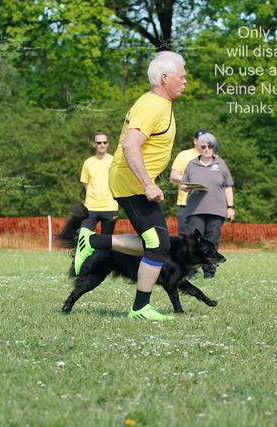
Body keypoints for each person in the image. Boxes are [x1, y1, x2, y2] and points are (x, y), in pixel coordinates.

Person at [74, 51, 187, 321]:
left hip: (132, 181)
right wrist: (148, 184)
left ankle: (93, 241)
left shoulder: (159, 103)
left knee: (158, 244)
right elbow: (130, 145)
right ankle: (139, 308)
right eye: (181, 77)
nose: (185, 81)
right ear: (165, 77)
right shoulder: (152, 106)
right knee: (157, 243)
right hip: (131, 182)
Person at [181, 132, 234, 279]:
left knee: (212, 241)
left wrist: (231, 207)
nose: (206, 149)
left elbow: (227, 187)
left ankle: (209, 273)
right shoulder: (192, 164)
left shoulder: (221, 164)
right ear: (199, 147)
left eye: (210, 146)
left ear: (214, 147)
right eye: (203, 146)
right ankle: (190, 272)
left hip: (216, 210)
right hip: (195, 210)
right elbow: (183, 184)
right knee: (194, 242)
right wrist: (187, 187)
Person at [79, 132, 118, 234]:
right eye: (99, 142)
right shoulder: (88, 162)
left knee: (106, 239)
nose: (102, 145)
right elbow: (85, 183)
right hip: (90, 207)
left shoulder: (113, 161)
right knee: (82, 234)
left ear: (108, 143)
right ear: (94, 144)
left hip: (110, 207)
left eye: (104, 142)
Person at [170, 129, 207, 236]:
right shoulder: (184, 155)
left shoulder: (214, 157)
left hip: (207, 205)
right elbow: (173, 177)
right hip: (185, 204)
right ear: (195, 141)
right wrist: (192, 179)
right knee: (185, 238)